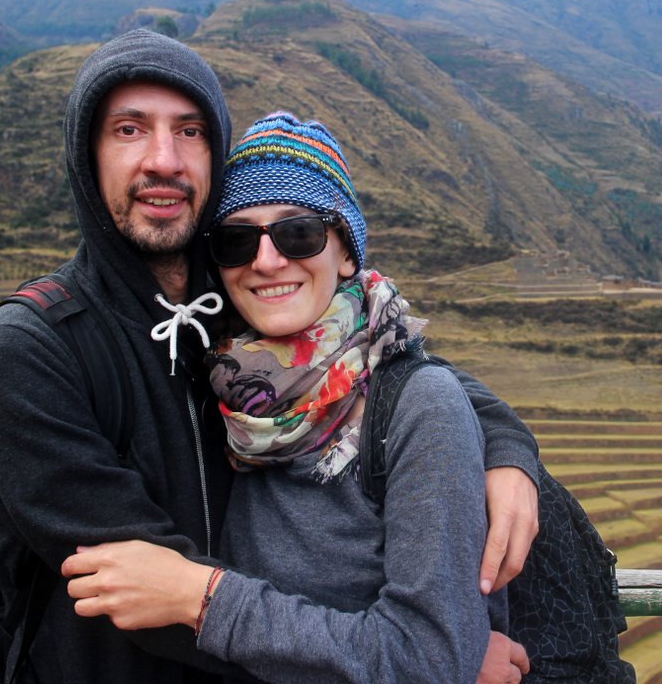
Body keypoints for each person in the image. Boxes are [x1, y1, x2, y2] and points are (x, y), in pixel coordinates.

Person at [0, 30, 540, 684]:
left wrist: (504, 446)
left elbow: (408, 377)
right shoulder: (29, 355)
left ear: (347, 250)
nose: (163, 159)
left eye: (190, 131)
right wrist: (438, 660)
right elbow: (155, 585)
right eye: (128, 130)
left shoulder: (232, 318)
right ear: (85, 157)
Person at [62, 113, 518, 682]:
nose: (267, 260)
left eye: (297, 232)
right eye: (236, 240)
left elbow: (427, 661)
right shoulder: (222, 388)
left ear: (346, 252)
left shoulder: (417, 407)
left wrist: (201, 598)